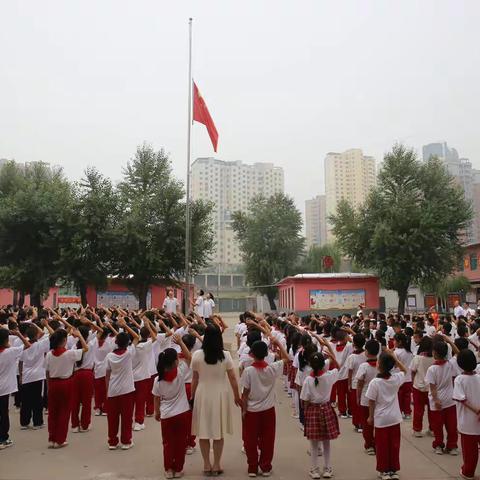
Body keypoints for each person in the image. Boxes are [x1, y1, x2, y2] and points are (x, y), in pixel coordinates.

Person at [191, 325, 242, 476]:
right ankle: (217, 464)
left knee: (204, 431)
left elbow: (195, 378)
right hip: (220, 394)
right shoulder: (225, 355)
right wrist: (236, 396)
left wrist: (192, 397)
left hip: (202, 394)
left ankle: (207, 464)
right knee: (218, 432)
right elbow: (232, 377)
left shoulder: (197, 355)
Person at [240, 337, 290, 477]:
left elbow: (245, 394)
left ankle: (252, 467)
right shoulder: (272, 368)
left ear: (251, 354)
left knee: (250, 439)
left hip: (252, 410)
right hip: (268, 409)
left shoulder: (248, 371)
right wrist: (278, 343)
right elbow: (287, 358)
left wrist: (244, 410)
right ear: (266, 354)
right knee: (268, 439)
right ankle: (266, 466)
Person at [153, 335, 192, 479]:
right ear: (176, 361)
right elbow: (190, 358)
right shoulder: (181, 373)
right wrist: (181, 342)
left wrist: (157, 412)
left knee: (167, 443)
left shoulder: (158, 380)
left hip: (166, 415)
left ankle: (168, 469)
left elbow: (156, 398)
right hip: (182, 413)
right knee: (181, 442)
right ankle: (179, 468)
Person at [300, 340, 340, 480]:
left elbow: (304, 399)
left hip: (313, 411)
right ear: (324, 364)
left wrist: (305, 414)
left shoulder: (308, 380)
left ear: (310, 364)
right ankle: (328, 468)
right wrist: (333, 357)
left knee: (313, 442)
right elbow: (338, 368)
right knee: (326, 441)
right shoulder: (329, 376)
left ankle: (314, 469)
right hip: (326, 409)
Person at [366, 351, 407, 480]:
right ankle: (393, 469)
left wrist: (370, 416)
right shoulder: (396, 378)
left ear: (379, 365)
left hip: (381, 419)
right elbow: (404, 370)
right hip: (394, 418)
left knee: (382, 446)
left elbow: (371, 401)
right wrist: (394, 358)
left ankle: (384, 470)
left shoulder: (375, 382)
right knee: (394, 445)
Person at [45, 328, 88, 448]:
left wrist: (48, 386)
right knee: (64, 411)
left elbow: (47, 372)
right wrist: (79, 335)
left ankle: (52, 438)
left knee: (53, 412)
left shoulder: (49, 354)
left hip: (53, 383)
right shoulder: (69, 353)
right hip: (66, 383)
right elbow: (86, 348)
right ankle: (60, 439)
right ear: (64, 341)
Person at [105, 319, 139, 450]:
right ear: (128, 342)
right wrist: (125, 325)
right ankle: (126, 441)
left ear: (115, 342)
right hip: (127, 390)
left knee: (112, 418)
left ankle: (112, 442)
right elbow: (137, 337)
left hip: (113, 390)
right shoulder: (129, 353)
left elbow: (107, 375)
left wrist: (107, 390)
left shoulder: (109, 356)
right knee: (127, 417)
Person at [425, 340, 459, 455]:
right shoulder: (451, 364)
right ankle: (452, 446)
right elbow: (458, 354)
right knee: (452, 425)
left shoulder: (432, 369)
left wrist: (436, 399)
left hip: (437, 402)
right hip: (450, 400)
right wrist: (449, 340)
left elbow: (432, 387)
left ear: (434, 352)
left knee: (437, 426)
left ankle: (439, 445)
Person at [0, 327, 30, 449]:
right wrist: (18, 334)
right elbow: (27, 345)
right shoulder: (10, 352)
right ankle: (3, 438)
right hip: (4, 388)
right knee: (4, 413)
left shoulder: (9, 351)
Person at [452, 349, 480, 480]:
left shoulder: (459, 379)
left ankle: (468, 472)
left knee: (470, 451)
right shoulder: (479, 377)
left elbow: (462, 399)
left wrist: (477, 410)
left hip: (467, 422)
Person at [18, 322, 50, 430]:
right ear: (37, 335)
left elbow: (20, 362)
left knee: (26, 400)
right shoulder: (41, 345)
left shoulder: (23, 346)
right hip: (38, 376)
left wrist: (21, 375)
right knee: (37, 400)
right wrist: (33, 324)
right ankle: (37, 422)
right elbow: (48, 333)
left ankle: (24, 422)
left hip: (26, 375)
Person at [355, 339, 380, 455]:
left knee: (367, 423)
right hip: (379, 399)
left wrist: (358, 397)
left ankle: (369, 445)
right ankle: (377, 444)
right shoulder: (381, 364)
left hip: (366, 399)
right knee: (377, 422)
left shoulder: (364, 366)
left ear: (366, 351)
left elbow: (359, 384)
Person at [70, 325, 96, 433]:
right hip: (87, 374)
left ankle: (75, 425)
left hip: (76, 374)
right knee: (86, 401)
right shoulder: (91, 344)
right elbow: (101, 330)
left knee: (75, 400)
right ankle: (85, 424)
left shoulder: (74, 347)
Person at [410, 336, 434, 437]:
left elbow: (413, 371)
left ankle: (417, 430)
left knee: (418, 409)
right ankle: (432, 429)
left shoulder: (418, 358)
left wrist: (412, 381)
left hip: (418, 386)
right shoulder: (434, 358)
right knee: (432, 410)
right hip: (431, 387)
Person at [346, 333, 366, 432]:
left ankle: (358, 424)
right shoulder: (366, 354)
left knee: (356, 405)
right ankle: (363, 423)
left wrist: (349, 383)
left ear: (354, 343)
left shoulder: (352, 357)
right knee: (363, 404)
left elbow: (350, 371)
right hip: (365, 383)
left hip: (355, 384)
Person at [393, 333, 413, 419]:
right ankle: (407, 412)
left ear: (399, 342)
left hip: (399, 377)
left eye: (395, 340)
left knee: (399, 396)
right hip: (408, 378)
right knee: (407, 396)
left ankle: (400, 411)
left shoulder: (396, 352)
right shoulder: (409, 352)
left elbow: (395, 365)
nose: (393, 342)